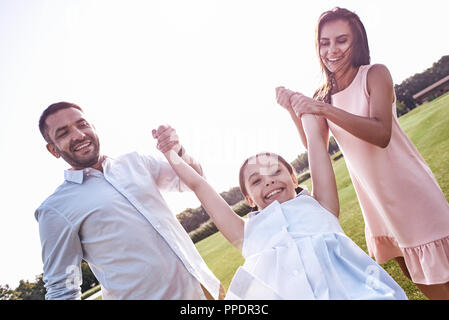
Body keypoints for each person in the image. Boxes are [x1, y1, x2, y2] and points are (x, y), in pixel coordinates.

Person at [276, 7, 449, 299]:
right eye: (324, 42)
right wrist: (295, 111)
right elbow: (315, 146)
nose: (331, 50)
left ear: (357, 42)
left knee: (440, 282)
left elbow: (381, 134)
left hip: (411, 195)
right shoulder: (323, 96)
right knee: (415, 276)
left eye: (341, 40)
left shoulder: (374, 74)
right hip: (376, 204)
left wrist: (322, 108)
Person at [157, 113, 407, 299]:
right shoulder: (244, 233)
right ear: (249, 199)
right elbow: (201, 187)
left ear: (294, 178)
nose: (269, 180)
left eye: (276, 171)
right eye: (256, 181)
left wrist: (302, 110)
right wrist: (171, 155)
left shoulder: (320, 205)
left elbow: (316, 146)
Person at [35, 102, 223, 300]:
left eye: (82, 125)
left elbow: (194, 179)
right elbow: (62, 289)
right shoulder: (55, 209)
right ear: (53, 150)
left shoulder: (136, 162)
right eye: (63, 133)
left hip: (208, 291)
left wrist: (177, 151)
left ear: (94, 128)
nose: (79, 135)